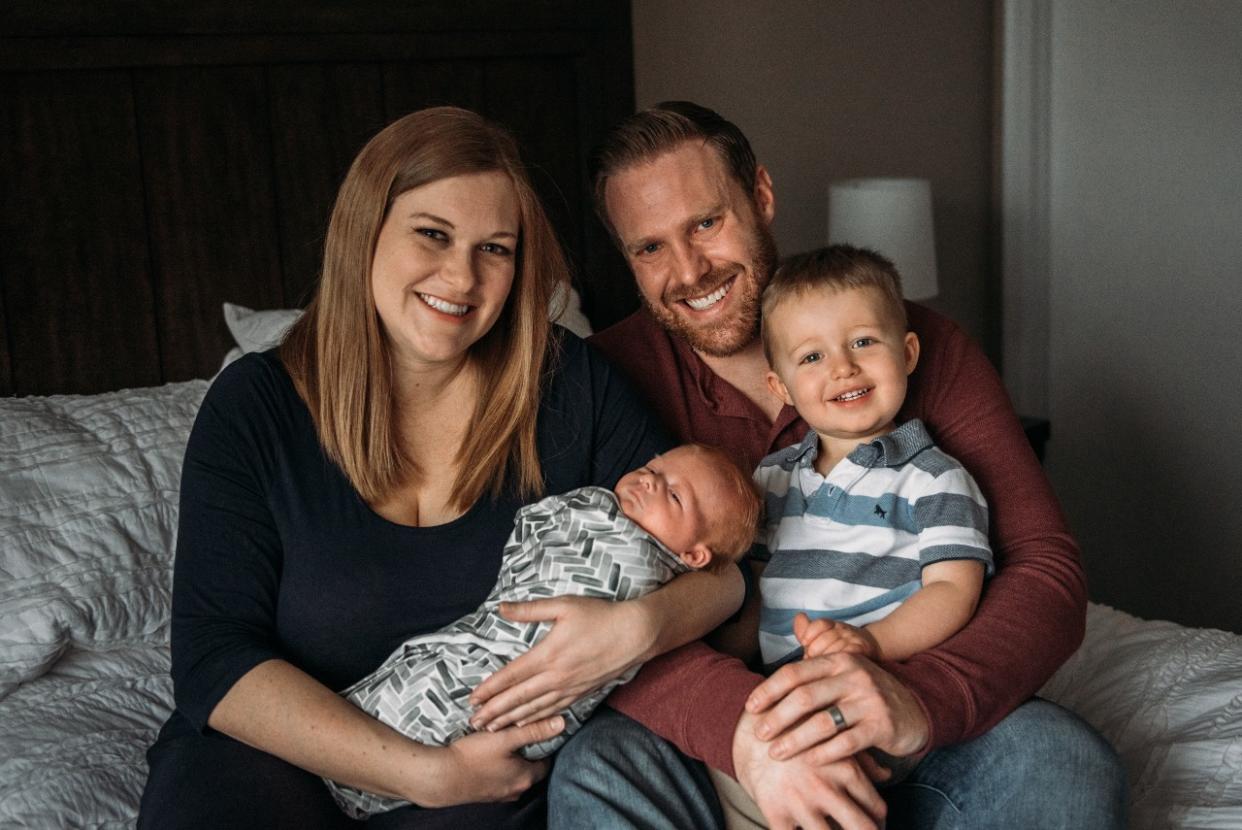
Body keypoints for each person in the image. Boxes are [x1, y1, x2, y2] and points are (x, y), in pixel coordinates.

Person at [137, 106, 747, 829]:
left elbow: (722, 574)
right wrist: (423, 773)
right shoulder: (256, 407)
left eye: (495, 248)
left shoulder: (567, 384)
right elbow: (211, 658)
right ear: (364, 231)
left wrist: (639, 628)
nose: (461, 278)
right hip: (275, 758)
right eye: (432, 234)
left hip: (486, 777)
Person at [523, 101, 1126, 829]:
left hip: (907, 715)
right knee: (599, 765)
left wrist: (920, 701)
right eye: (649, 248)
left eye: (706, 223)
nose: (688, 270)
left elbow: (1045, 567)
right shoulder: (600, 380)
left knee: (1062, 759)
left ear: (762, 197)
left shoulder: (911, 342)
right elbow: (589, 621)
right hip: (726, 739)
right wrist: (750, 734)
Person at [707, 245, 994, 827]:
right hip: (778, 696)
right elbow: (753, 589)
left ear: (907, 353)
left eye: (863, 341)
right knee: (729, 759)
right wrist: (722, 665)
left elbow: (953, 591)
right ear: (780, 385)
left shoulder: (934, 478)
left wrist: (872, 645)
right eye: (811, 356)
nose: (842, 367)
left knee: (822, 780)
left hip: (878, 690)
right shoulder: (771, 478)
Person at [328, 443, 760, 819]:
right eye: (654, 467)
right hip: (483, 660)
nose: (648, 480)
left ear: (694, 556)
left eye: (673, 495)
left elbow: (534, 525)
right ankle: (363, 766)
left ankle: (360, 769)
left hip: (526, 701)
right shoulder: (606, 512)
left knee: (461, 706)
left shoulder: (639, 559)